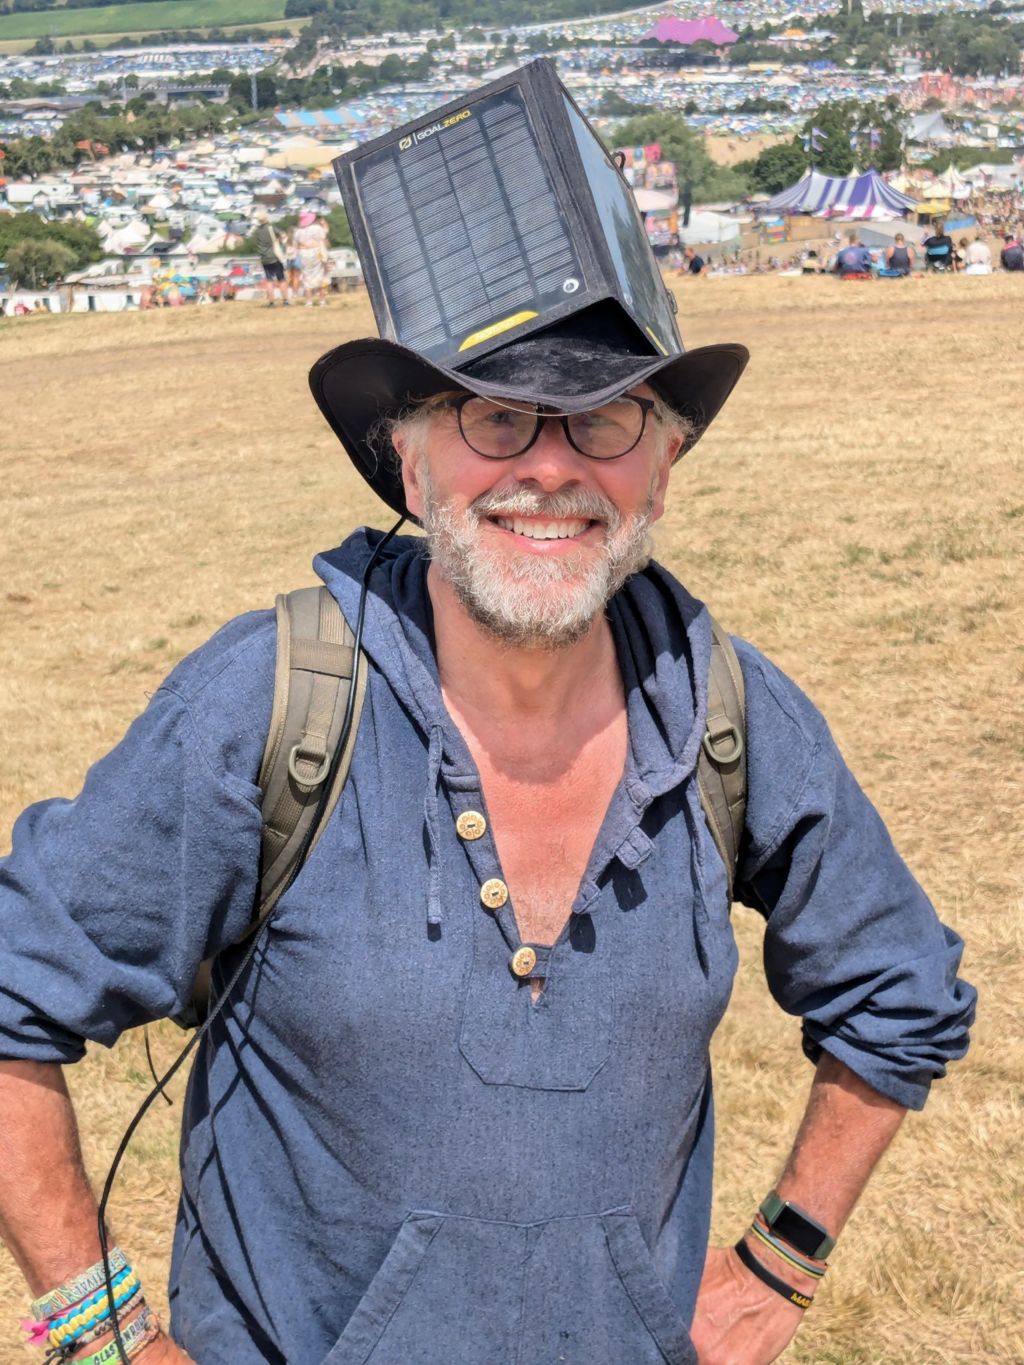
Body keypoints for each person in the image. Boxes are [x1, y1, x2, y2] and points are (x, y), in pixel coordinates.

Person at [0, 65, 975, 1365]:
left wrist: (781, 1259)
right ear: (409, 458)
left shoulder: (727, 709)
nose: (554, 464)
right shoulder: (271, 706)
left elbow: (900, 989)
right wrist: (99, 1333)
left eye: (608, 412)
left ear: (667, 464)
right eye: (494, 414)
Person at [252, 207, 289, 308]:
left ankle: (271, 302)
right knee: (281, 279)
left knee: (269, 280)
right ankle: (285, 300)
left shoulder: (257, 231)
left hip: (264, 258)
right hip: (274, 256)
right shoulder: (271, 228)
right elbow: (282, 235)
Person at [293, 209, 329, 306]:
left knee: (306, 277)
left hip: (303, 254)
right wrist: (324, 224)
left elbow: (295, 245)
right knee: (320, 275)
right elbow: (324, 235)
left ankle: (309, 301)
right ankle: (322, 300)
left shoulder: (297, 232)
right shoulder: (317, 228)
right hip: (316, 252)